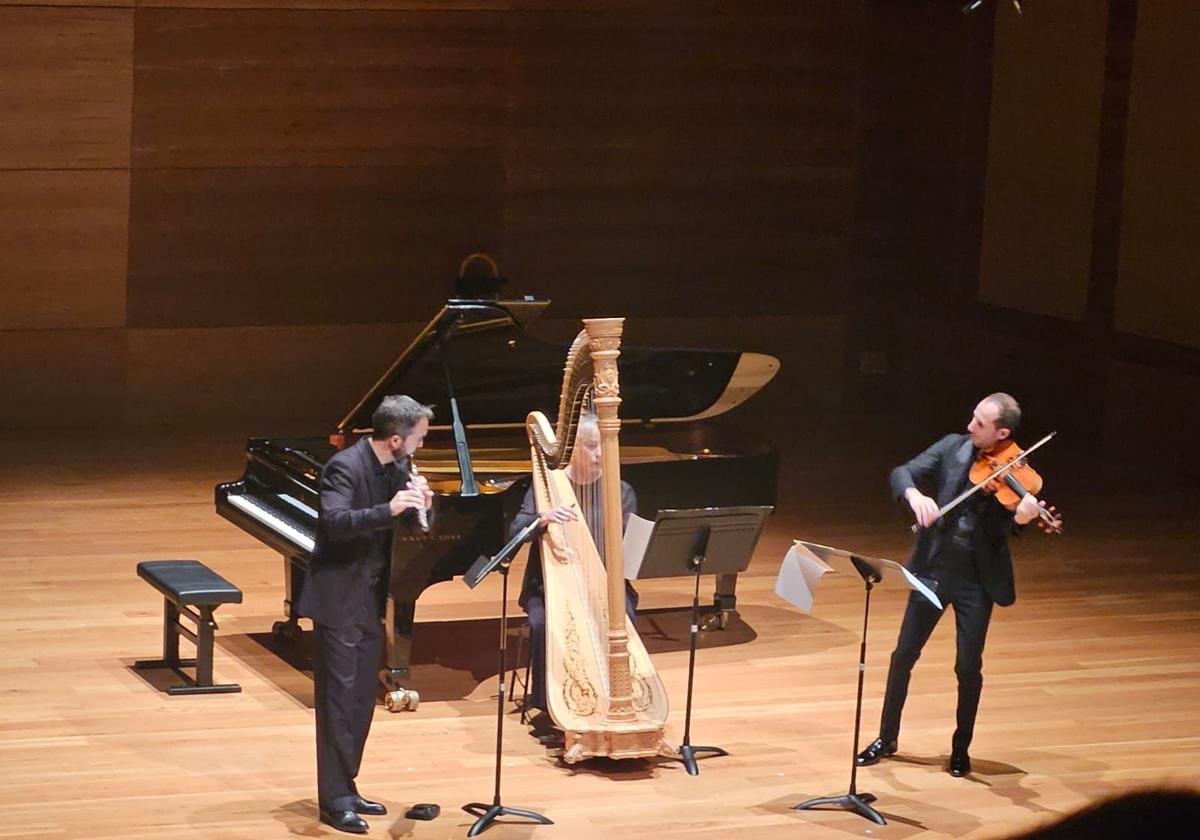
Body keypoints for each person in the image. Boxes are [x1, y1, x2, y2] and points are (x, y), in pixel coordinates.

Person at [856, 393, 1047, 777]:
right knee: (903, 655)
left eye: (980, 423)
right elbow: (902, 472)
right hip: (932, 570)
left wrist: (1024, 518)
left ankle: (961, 749)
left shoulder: (1014, 471)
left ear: (1002, 432)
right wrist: (914, 495)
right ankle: (886, 737)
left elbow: (1009, 525)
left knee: (967, 666)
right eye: (973, 417)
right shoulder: (952, 446)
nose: (970, 427)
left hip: (976, 582)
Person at [297, 395, 434, 834]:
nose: (420, 446)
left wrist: (422, 505)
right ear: (395, 438)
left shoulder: (397, 467)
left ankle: (348, 786)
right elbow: (334, 521)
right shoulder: (345, 467)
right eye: (418, 438)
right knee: (337, 701)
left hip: (370, 598)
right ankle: (334, 801)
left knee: (359, 700)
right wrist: (388, 509)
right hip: (338, 599)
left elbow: (410, 525)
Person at [510, 413, 639, 720]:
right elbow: (517, 528)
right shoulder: (548, 487)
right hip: (549, 587)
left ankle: (616, 695)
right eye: (592, 447)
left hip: (606, 585)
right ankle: (549, 706)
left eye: (603, 447)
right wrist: (543, 518)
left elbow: (629, 550)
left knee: (624, 618)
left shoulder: (621, 491)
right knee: (545, 624)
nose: (599, 454)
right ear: (573, 448)